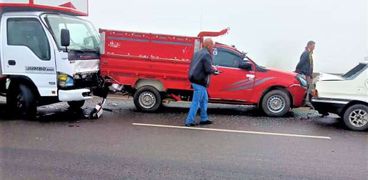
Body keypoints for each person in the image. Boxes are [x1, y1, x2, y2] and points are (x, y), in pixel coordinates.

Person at [185, 38, 220, 127]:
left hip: (195, 80)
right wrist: (215, 71)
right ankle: (189, 121)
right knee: (196, 102)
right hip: (199, 82)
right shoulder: (206, 54)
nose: (213, 47)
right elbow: (208, 69)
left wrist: (212, 69)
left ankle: (204, 119)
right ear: (208, 45)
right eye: (212, 45)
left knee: (204, 99)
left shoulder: (197, 53)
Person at [295, 41, 315, 108]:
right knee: (304, 88)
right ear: (309, 45)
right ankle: (303, 102)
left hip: (307, 74)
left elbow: (310, 65)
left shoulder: (309, 54)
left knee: (307, 88)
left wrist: (311, 74)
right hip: (304, 73)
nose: (314, 48)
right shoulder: (306, 53)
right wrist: (297, 70)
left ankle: (305, 102)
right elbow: (301, 62)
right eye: (313, 46)